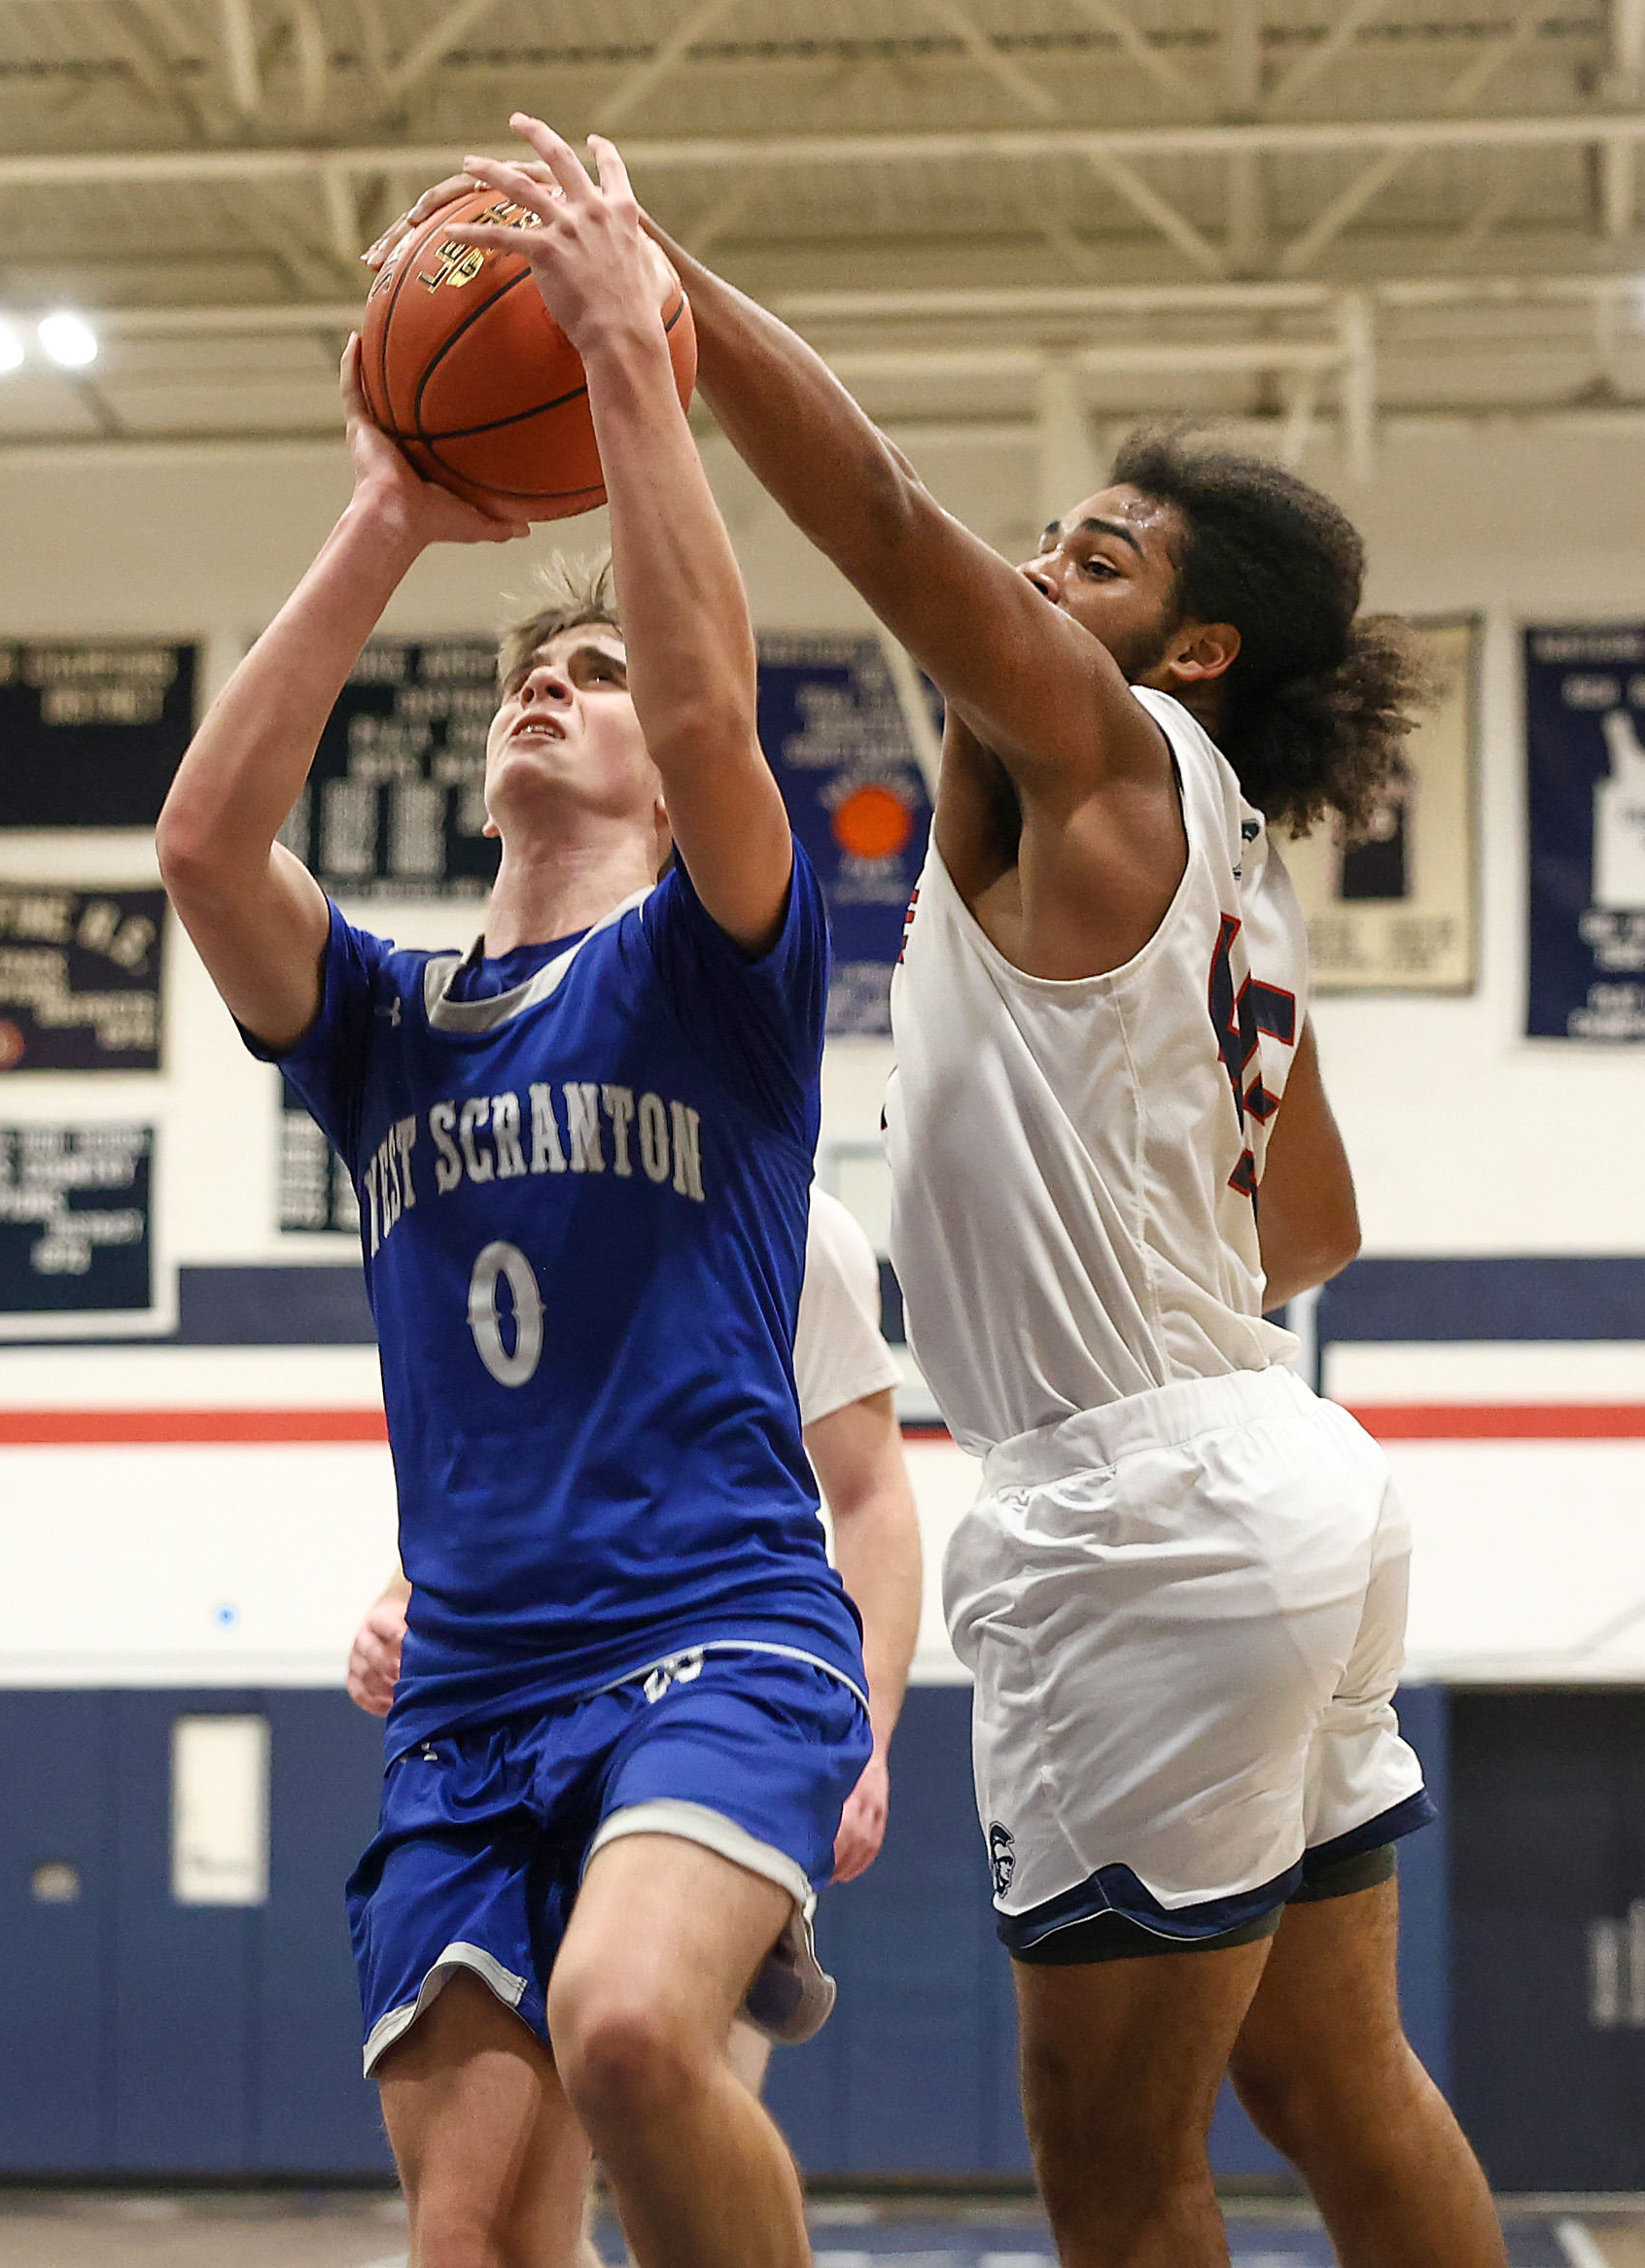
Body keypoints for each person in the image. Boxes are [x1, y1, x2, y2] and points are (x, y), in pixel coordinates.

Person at [533, 249, 1504, 2266]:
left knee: (1116, 2171)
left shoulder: (1113, 744)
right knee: (1338, 2080)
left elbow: (881, 515)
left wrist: (660, 304)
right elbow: (1309, 1225)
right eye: (1053, 539)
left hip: (1136, 1508)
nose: (1049, 573)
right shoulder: (1224, 867)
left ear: (1199, 646)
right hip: (1285, 1461)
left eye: (1106, 557)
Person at [158, 114, 875, 2268]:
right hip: (471, 1679)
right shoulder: (382, 1022)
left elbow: (710, 697)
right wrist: (392, 505)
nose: (546, 689)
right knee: (472, 2239)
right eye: (517, 674)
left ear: (657, 763)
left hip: (714, 1627)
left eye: (587, 677)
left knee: (640, 2031)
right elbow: (204, 844)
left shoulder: (712, 969)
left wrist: (627, 365)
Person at [347, 1183, 923, 2266]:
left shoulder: (793, 1223)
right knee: (486, 2225)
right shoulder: (491, 1194)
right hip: (506, 1716)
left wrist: (873, 1733)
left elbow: (870, 1494)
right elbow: (498, 1482)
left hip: (710, 1691)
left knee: (653, 2089)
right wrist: (400, 1598)